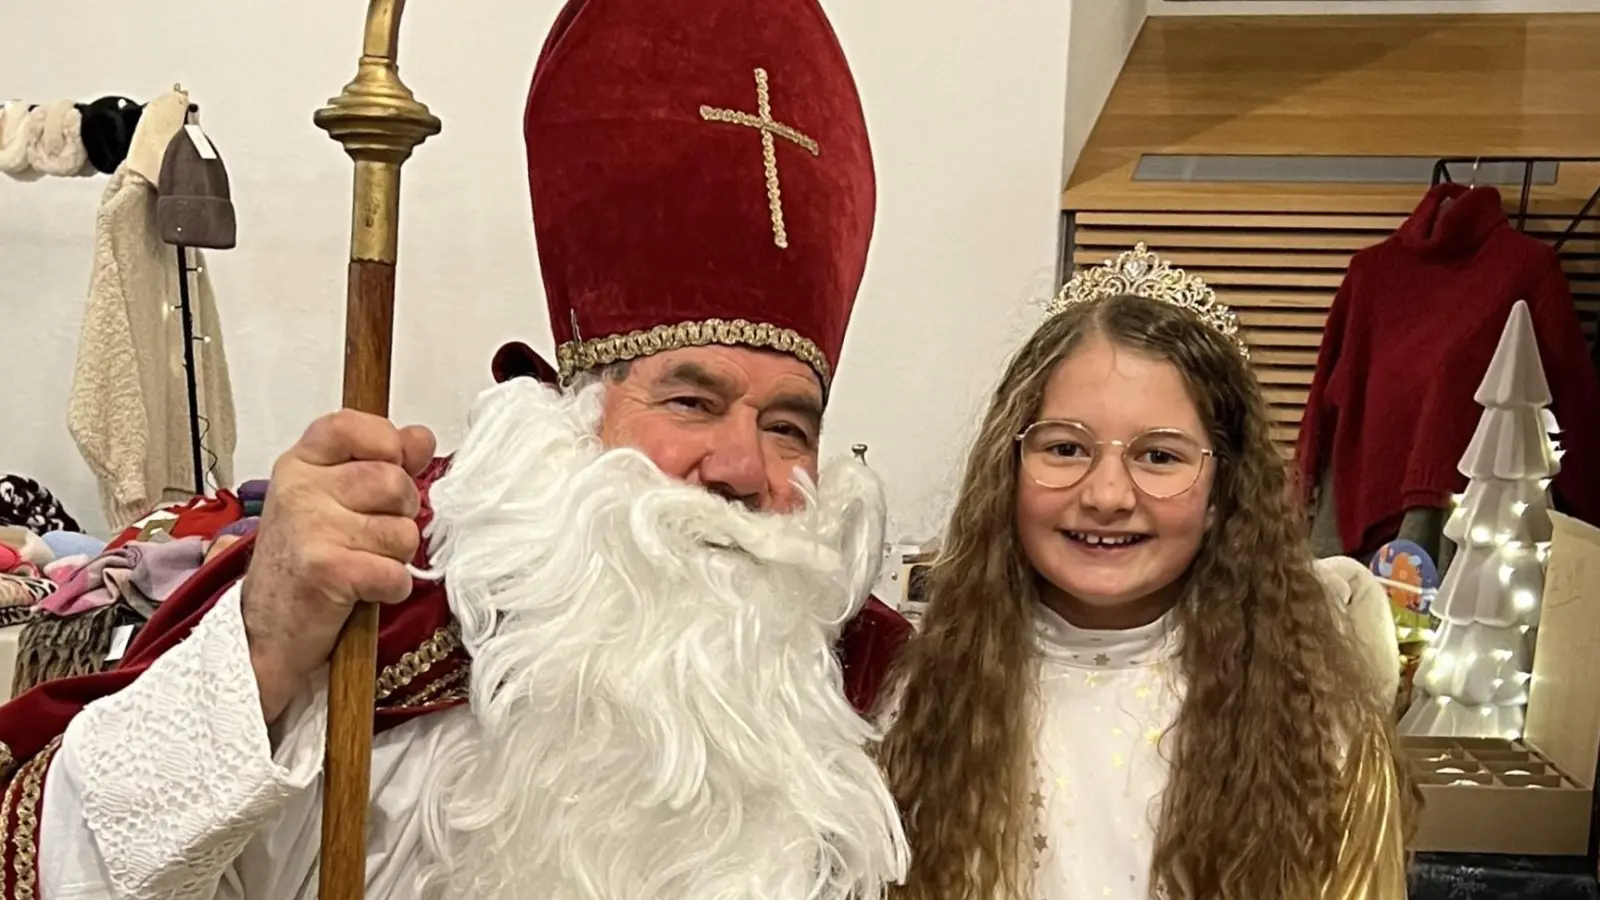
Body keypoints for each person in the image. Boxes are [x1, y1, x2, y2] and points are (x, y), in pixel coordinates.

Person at [0, 1, 915, 898]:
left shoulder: (858, 699)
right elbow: (57, 865)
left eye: (788, 425)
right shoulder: (382, 636)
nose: (743, 470)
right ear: (580, 413)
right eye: (689, 399)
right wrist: (267, 648)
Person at [875, 245, 1413, 900]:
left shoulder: (1320, 737)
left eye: (1159, 456)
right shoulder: (923, 707)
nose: (1106, 495)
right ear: (1010, 469)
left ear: (1223, 493)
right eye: (1066, 448)